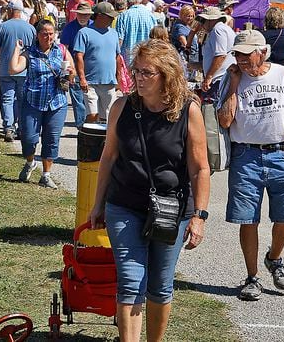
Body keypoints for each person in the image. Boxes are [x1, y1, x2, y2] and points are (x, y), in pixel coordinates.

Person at [88, 39, 210, 342]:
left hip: (172, 209)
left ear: (167, 75)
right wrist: (97, 204)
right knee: (131, 282)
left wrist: (200, 216)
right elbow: (109, 157)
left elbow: (200, 168)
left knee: (160, 284)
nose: (139, 79)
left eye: (147, 73)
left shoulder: (188, 110)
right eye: (137, 71)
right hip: (125, 204)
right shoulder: (122, 107)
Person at [217, 29, 284, 301]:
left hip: (282, 154)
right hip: (246, 157)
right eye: (238, 55)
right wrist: (234, 86)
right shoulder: (231, 79)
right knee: (248, 219)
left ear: (263, 52)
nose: (243, 60)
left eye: (247, 54)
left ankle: (275, 257)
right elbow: (224, 121)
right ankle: (252, 277)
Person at [10, 20, 74, 188]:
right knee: (28, 138)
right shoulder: (29, 53)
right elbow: (14, 69)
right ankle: (30, 162)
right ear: (37, 35)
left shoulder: (62, 51)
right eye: (44, 33)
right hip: (33, 102)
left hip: (57, 103)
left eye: (51, 33)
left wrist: (70, 74)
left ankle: (46, 175)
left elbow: (71, 75)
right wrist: (17, 49)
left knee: (51, 139)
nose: (48, 37)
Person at [0, 0, 36, 142]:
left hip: (5, 70)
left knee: (7, 99)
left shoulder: (2, 28)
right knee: (23, 101)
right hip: (24, 70)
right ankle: (22, 128)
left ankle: (8, 128)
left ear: (10, 11)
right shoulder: (30, 28)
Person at [72, 2, 124, 123]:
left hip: (109, 82)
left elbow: (117, 56)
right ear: (100, 16)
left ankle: (105, 141)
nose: (112, 19)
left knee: (109, 117)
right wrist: (82, 78)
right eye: (110, 16)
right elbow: (79, 56)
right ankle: (89, 139)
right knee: (92, 116)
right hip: (90, 82)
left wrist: (119, 77)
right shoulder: (84, 33)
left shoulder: (114, 33)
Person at [60, 2, 94, 128]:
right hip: (75, 67)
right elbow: (64, 49)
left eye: (85, 15)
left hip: (91, 68)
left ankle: (91, 125)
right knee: (78, 98)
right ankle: (81, 126)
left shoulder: (93, 27)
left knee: (90, 98)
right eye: (80, 14)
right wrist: (67, 70)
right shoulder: (69, 28)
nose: (83, 17)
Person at [198, 6, 236, 101]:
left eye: (203, 20)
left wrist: (208, 78)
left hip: (219, 81)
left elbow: (220, 55)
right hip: (221, 79)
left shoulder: (217, 30)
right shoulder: (221, 29)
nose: (201, 24)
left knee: (212, 112)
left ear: (210, 20)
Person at [116, 0, 157, 65]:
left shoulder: (123, 16)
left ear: (128, 1)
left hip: (127, 60)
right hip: (146, 58)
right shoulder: (151, 15)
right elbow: (155, 38)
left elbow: (119, 40)